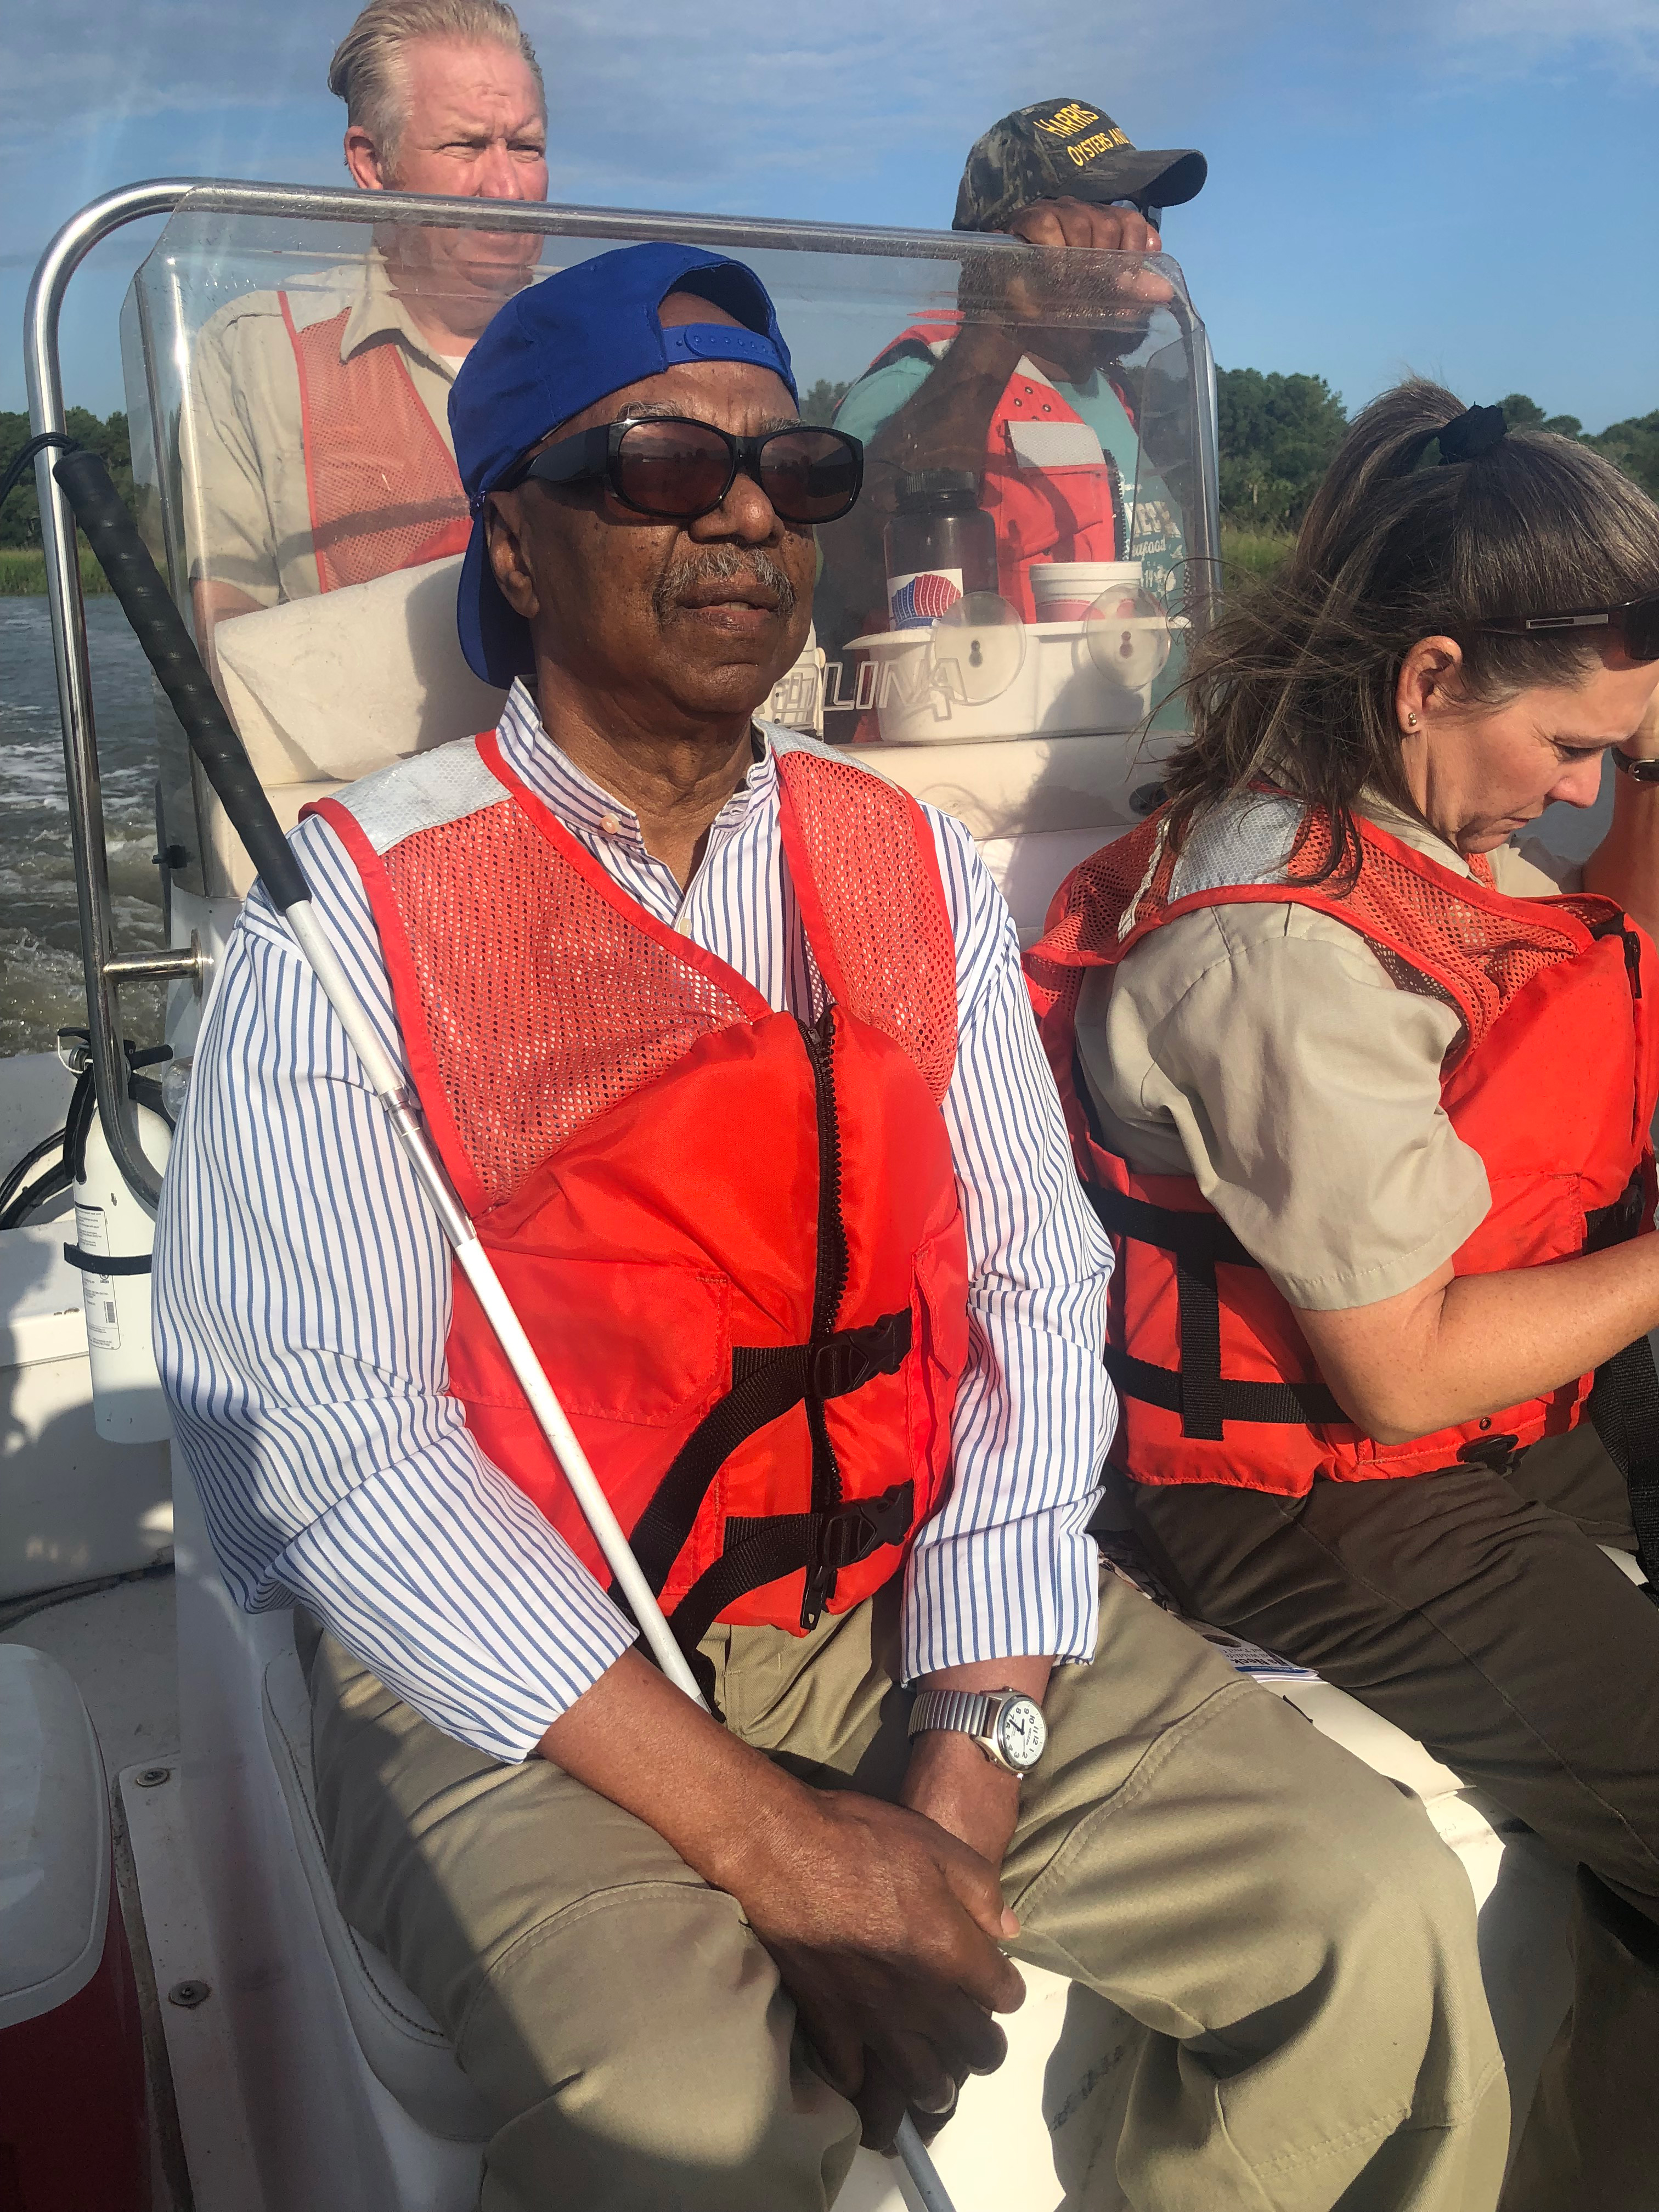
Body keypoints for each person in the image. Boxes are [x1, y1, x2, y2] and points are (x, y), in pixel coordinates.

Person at [154, 253, 1505, 2212]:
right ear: (514, 543)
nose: (740, 511)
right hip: (522, 1673)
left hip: (891, 1584)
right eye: (655, 464)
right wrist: (776, 1845)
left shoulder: (906, 868)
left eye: (792, 469)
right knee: (679, 2118)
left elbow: (1031, 1296)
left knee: (1366, 1914)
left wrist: (966, 1745)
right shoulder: (342, 932)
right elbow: (337, 1453)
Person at [1026, 380, 1659, 2210]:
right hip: (1314, 1494)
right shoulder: (1268, 949)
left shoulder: (1415, 823)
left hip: (1497, 1413)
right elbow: (1398, 1375)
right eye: (1569, 745)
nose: (1580, 792)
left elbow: (1608, 955)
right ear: (1428, 675)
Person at [184, 0, 547, 634]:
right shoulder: (257, 351)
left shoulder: (611, 340)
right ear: (372, 164)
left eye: (526, 147)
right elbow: (227, 624)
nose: (507, 188)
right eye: (465, 146)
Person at [822, 98, 1204, 652]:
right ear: (1018, 238)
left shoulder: (1119, 393)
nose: (1141, 238)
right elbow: (856, 566)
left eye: (1147, 213)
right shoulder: (916, 381)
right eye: (1111, 213)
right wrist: (1001, 318)